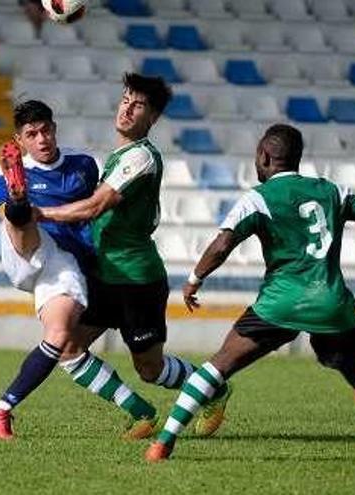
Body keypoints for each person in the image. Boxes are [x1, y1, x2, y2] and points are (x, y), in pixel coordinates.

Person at [144, 124, 355, 462]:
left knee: (216, 367)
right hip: (331, 303)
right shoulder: (332, 190)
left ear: (264, 156)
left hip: (278, 305)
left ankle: (163, 442)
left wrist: (195, 278)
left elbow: (223, 243)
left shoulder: (258, 197)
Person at [0, 100, 158, 441]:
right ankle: (20, 204)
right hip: (27, 254)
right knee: (15, 210)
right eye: (32, 134)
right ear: (19, 140)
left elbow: (102, 207)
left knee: (65, 346)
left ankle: (139, 412)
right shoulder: (4, 177)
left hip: (73, 268)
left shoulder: (83, 166)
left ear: (55, 129)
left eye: (46, 130)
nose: (42, 139)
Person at [36, 72, 231, 438]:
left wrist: (38, 213)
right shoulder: (121, 155)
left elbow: (94, 207)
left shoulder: (140, 157)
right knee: (67, 346)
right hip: (106, 275)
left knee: (150, 370)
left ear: (153, 118)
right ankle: (140, 412)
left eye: (138, 104)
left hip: (137, 281)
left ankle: (215, 389)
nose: (127, 107)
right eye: (126, 98)